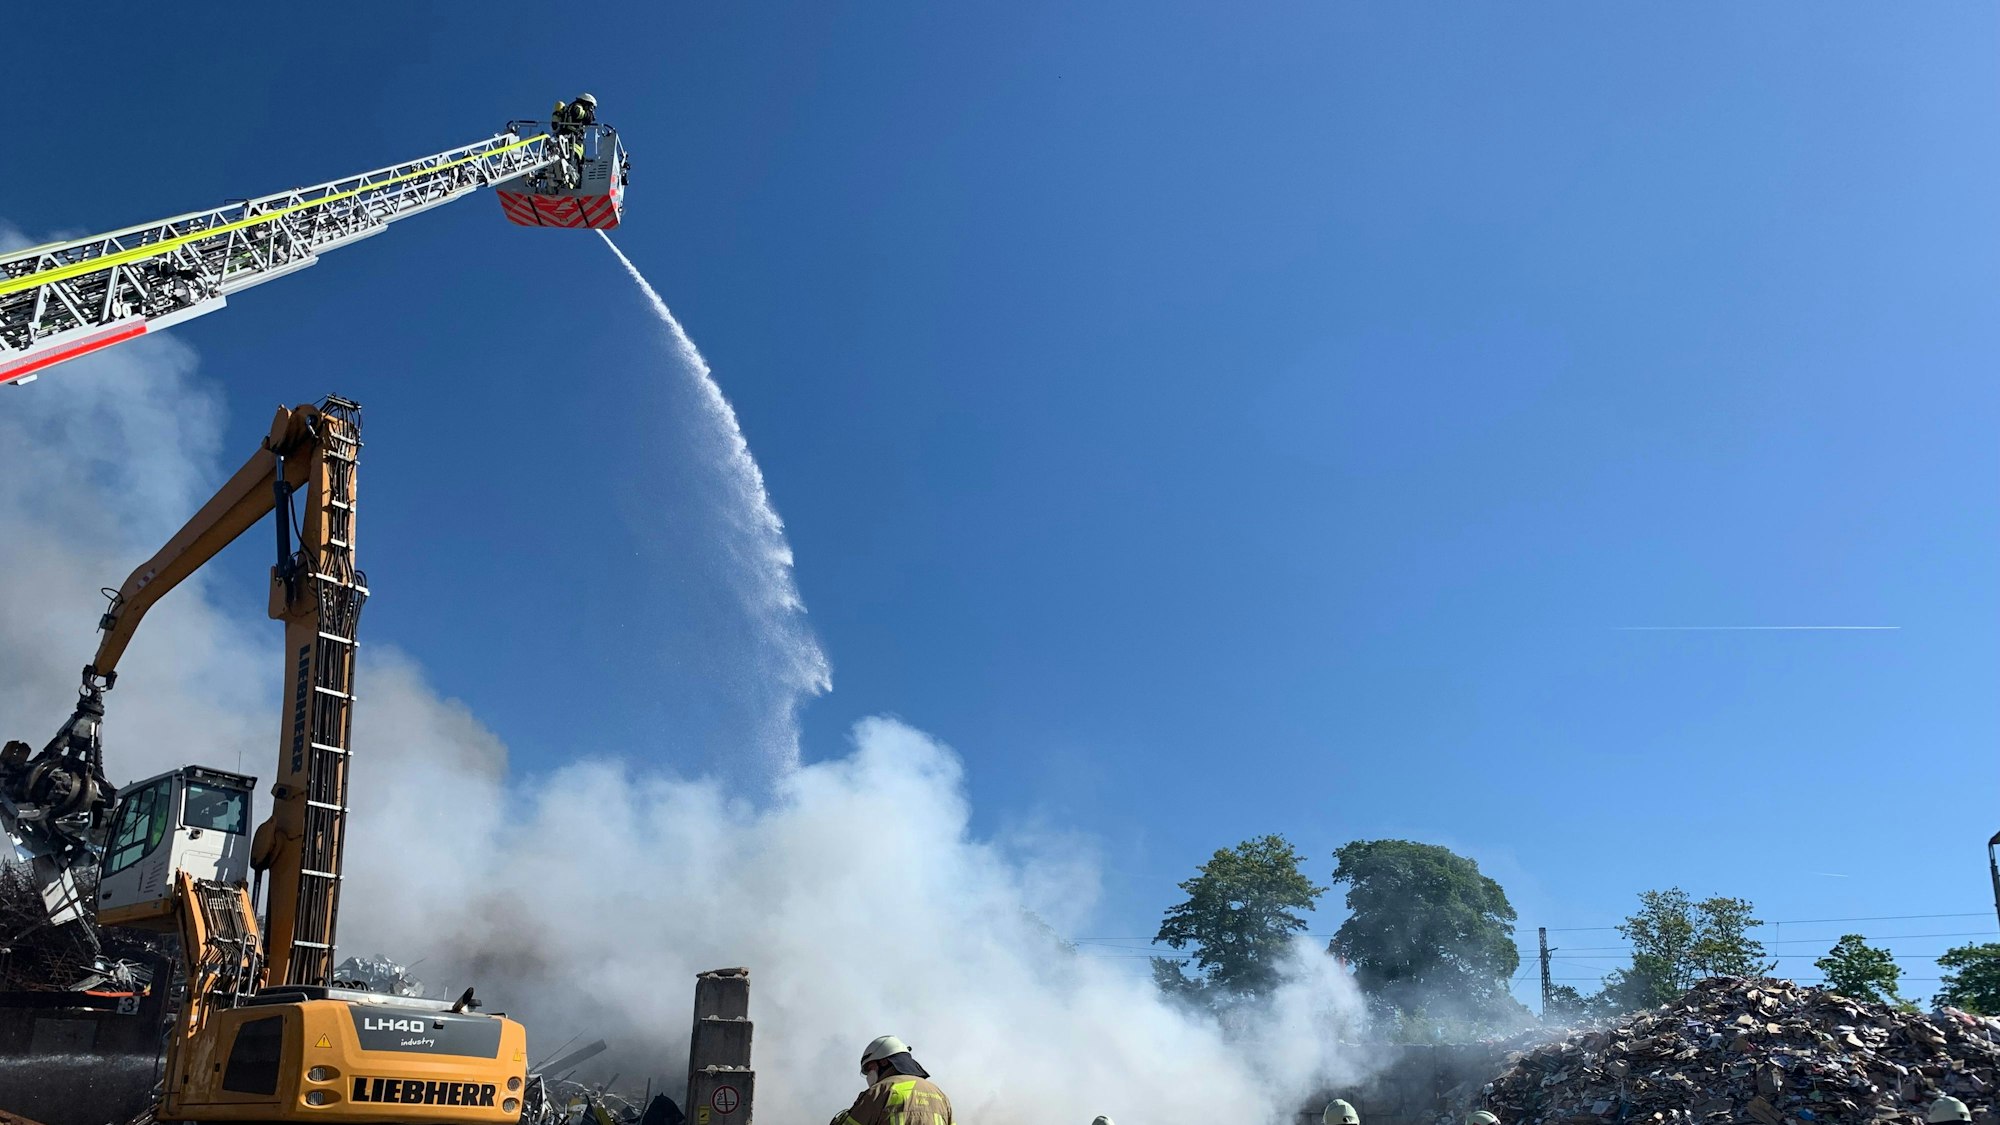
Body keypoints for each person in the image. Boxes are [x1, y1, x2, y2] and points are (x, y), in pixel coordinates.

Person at [829, 1035, 953, 1125]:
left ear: (883, 1061)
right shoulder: (939, 1094)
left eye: (870, 1067)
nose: (869, 1074)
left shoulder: (880, 1091)